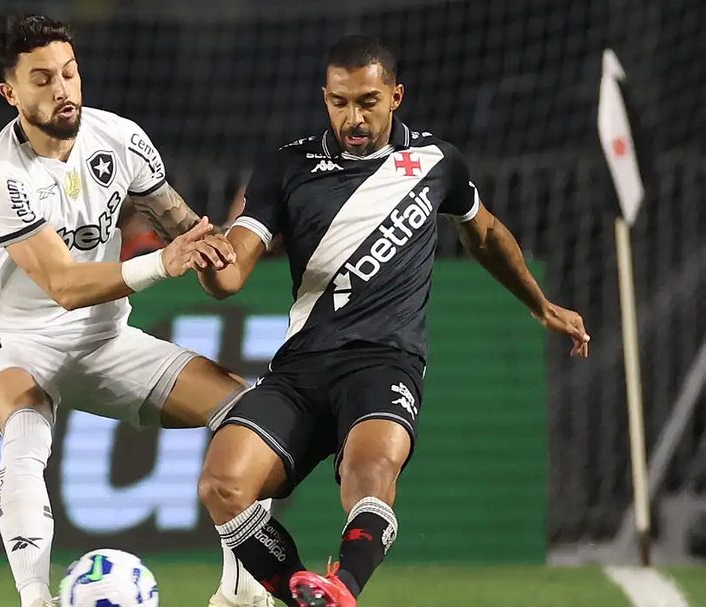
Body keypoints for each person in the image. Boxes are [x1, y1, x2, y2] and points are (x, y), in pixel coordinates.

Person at [195, 36, 591, 607]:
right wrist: (212, 264)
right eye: (339, 102)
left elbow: (485, 235)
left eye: (368, 102)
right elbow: (231, 275)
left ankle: (343, 587)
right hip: (301, 369)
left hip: (384, 362)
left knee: (371, 469)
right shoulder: (287, 166)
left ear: (396, 96)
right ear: (324, 98)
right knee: (221, 484)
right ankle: (306, 594)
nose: (353, 118)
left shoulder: (436, 162)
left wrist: (540, 303)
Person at [0, 14, 272, 607]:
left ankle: (242, 591)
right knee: (25, 429)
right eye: (42, 79)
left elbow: (194, 241)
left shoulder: (121, 140)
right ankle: (36, 597)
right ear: (10, 93)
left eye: (70, 73)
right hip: (18, 340)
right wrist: (163, 264)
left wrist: (242, 236)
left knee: (254, 413)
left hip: (104, 339)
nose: (62, 89)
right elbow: (64, 284)